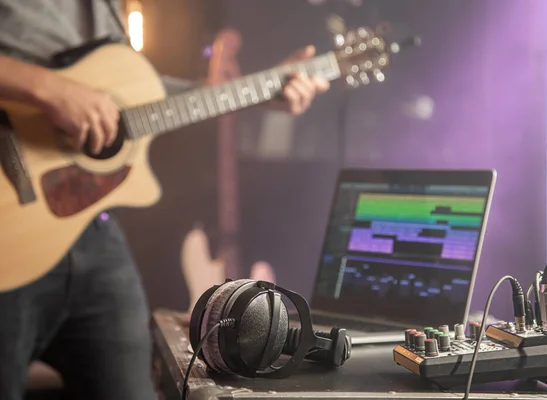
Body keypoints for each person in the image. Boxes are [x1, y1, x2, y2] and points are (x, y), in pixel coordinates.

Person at [0, 1, 330, 399]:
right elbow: (68, 93)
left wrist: (258, 92)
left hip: (88, 228)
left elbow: (135, 97)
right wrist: (48, 89)